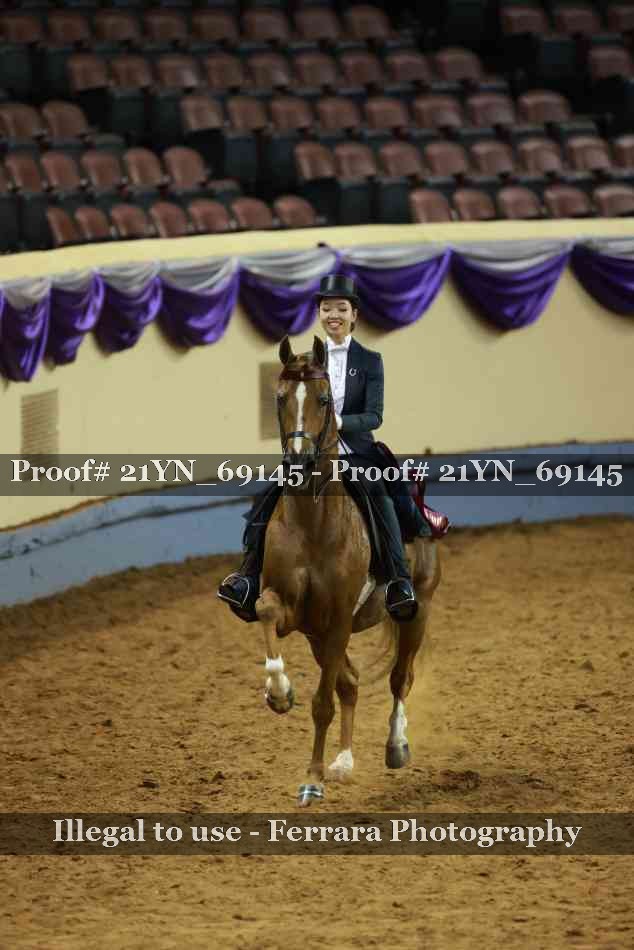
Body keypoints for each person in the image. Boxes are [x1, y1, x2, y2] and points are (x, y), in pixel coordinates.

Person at [218, 273, 434, 623]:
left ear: (354, 315)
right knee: (266, 499)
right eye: (327, 308)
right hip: (310, 457)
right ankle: (247, 577)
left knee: (379, 496)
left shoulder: (370, 361)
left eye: (341, 308)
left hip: (356, 453)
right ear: (319, 314)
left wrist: (339, 422)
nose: (334, 314)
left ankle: (398, 581)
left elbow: (374, 416)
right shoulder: (304, 362)